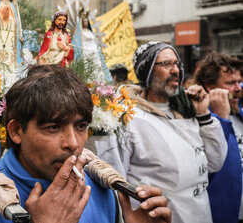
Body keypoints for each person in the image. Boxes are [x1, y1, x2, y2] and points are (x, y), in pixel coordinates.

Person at [0, 64, 171, 223]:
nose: (73, 143)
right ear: (16, 131)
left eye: (81, 126)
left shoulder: (103, 191)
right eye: (53, 127)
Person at [96, 41, 227, 223]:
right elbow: (114, 184)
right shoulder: (126, 117)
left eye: (176, 64)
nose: (175, 70)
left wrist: (203, 115)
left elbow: (216, 163)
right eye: (166, 64)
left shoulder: (186, 108)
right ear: (147, 71)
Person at [195, 52, 243, 223]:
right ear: (209, 86)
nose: (238, 88)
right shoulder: (198, 122)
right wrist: (222, 118)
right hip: (223, 215)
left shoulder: (239, 113)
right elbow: (213, 162)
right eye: (231, 83)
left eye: (239, 82)